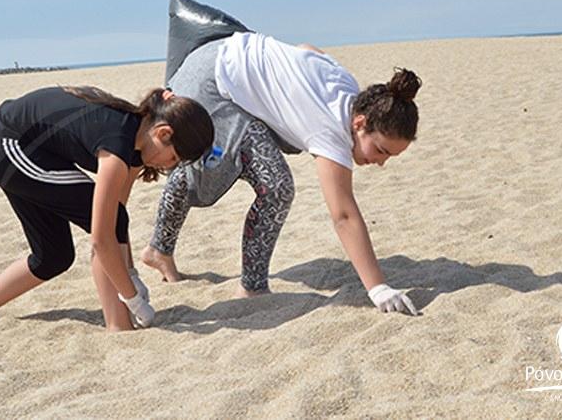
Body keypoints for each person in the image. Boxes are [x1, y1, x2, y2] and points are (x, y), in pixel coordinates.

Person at [141, 32, 421, 315]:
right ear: (360, 123)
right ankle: (250, 287)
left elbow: (307, 49)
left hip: (215, 57)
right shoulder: (330, 129)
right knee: (275, 187)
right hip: (211, 85)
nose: (381, 162)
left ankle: (159, 251)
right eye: (381, 150)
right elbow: (344, 216)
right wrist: (378, 288)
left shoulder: (347, 87)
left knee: (252, 170)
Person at [0, 85, 214, 331]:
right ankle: (118, 324)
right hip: (6, 144)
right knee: (109, 228)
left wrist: (130, 272)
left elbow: (115, 217)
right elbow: (103, 239)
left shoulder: (135, 149)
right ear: (163, 133)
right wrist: (132, 297)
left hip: (31, 148)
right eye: (173, 158)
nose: (167, 167)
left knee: (54, 257)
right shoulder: (116, 148)